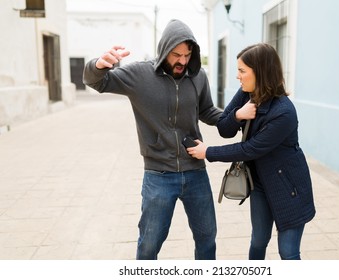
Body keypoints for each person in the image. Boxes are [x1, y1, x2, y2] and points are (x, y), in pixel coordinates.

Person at [83, 19, 222, 260]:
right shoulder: (139, 75)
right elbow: (96, 82)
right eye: (176, 54)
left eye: (187, 55)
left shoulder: (198, 76)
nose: (182, 61)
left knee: (207, 239)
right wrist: (98, 65)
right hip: (159, 174)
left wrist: (236, 118)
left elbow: (208, 111)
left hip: (195, 171)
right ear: (164, 49)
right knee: (149, 244)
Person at [187, 43, 316, 260]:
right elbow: (224, 128)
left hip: (289, 186)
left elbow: (251, 149)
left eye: (242, 71)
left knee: (288, 252)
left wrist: (208, 152)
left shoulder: (284, 112)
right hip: (260, 183)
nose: (238, 76)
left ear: (261, 72)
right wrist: (238, 114)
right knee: (258, 242)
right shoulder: (246, 94)